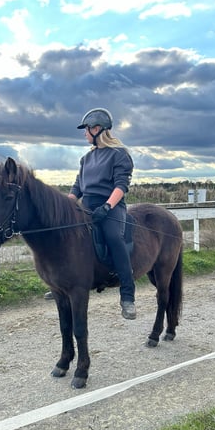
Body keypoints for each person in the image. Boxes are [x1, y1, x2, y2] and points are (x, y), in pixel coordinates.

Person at [67, 107, 137, 320]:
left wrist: (107, 207)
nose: (84, 133)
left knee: (114, 238)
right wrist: (66, 205)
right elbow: (78, 187)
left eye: (86, 129)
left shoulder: (119, 155)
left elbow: (121, 185)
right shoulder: (85, 159)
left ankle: (127, 295)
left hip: (111, 206)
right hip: (87, 204)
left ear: (97, 129)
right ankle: (66, 283)